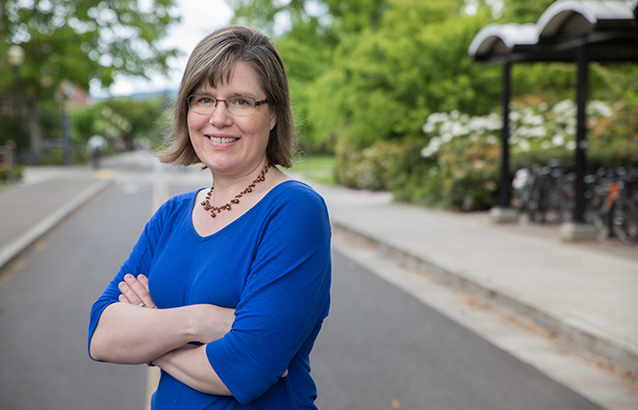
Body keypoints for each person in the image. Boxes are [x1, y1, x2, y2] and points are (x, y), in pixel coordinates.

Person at [88, 25, 332, 409]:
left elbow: (246, 368)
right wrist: (198, 322)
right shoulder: (172, 214)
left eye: (240, 101)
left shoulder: (294, 211)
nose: (218, 118)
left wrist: (150, 338)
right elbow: (102, 334)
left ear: (273, 114)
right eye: (204, 99)